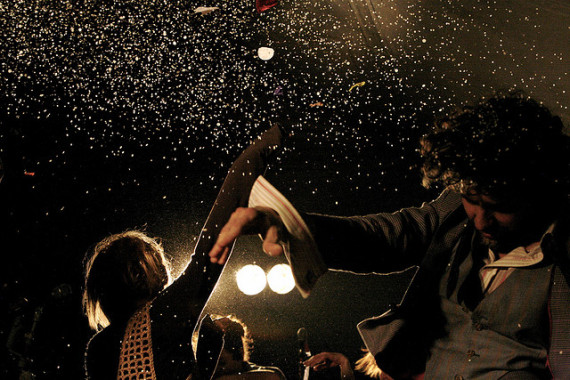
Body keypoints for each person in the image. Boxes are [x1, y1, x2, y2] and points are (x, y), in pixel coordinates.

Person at [209, 92, 570, 379]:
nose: (480, 220)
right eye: (471, 199)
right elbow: (385, 237)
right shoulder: (455, 214)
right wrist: (291, 226)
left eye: (498, 205)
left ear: (541, 190)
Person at [82, 124, 284, 380]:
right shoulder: (166, 312)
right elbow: (215, 237)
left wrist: (206, 364)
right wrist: (261, 149)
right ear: (143, 272)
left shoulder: (97, 348)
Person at [193, 314, 287, 380]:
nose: (214, 367)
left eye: (221, 362)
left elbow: (271, 377)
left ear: (240, 353)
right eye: (207, 361)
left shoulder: (268, 374)